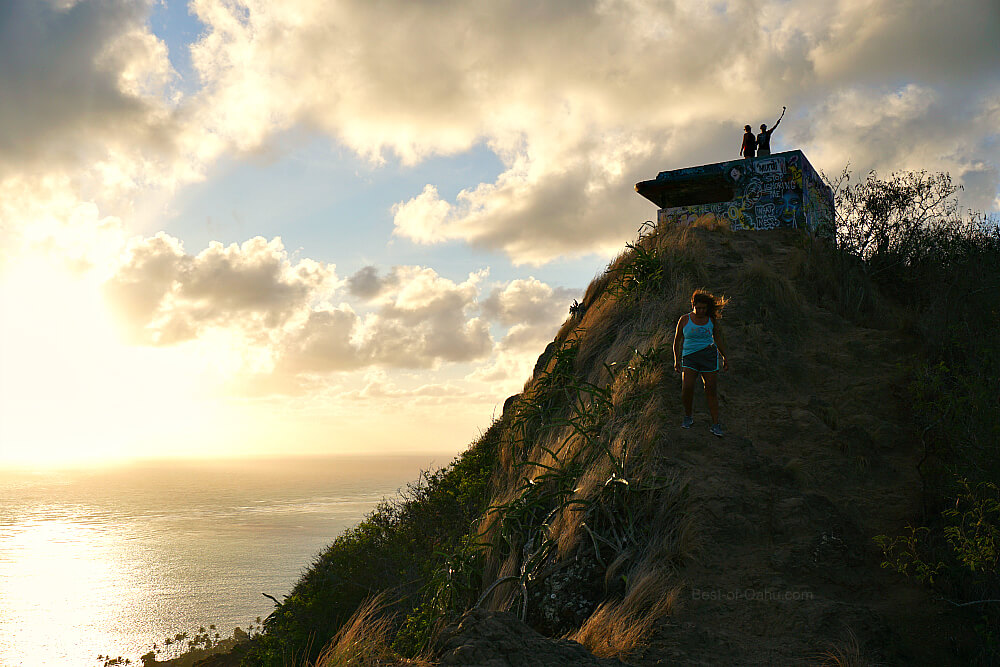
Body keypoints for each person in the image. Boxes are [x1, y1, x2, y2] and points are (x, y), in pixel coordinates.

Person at [673, 290, 729, 436]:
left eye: (704, 308)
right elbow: (677, 340)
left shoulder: (711, 320)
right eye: (698, 308)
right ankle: (688, 416)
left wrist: (725, 357)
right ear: (693, 305)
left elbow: (718, 339)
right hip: (690, 357)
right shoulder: (684, 319)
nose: (701, 311)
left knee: (711, 390)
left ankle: (716, 424)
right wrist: (676, 359)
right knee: (687, 387)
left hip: (708, 357)